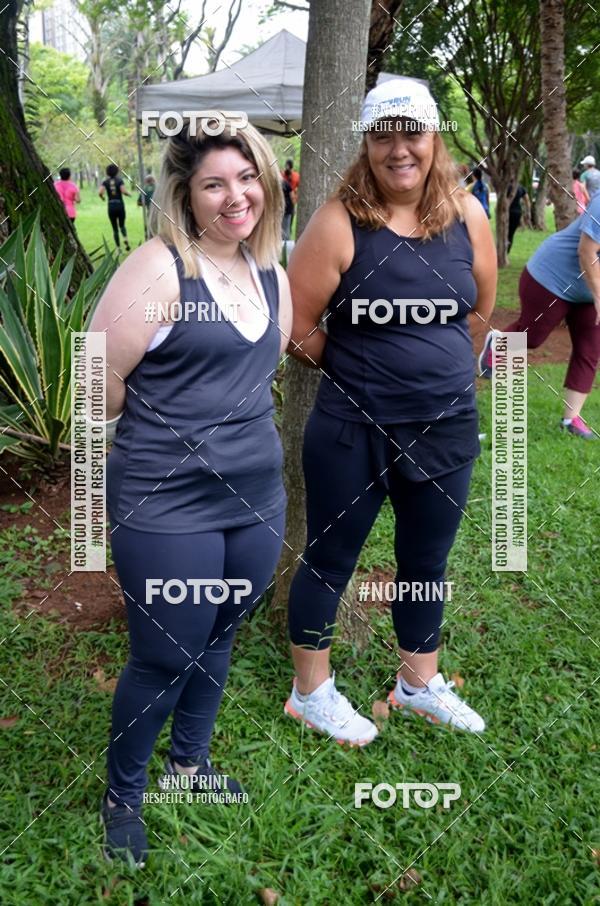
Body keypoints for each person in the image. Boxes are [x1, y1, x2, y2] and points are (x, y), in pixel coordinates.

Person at [90, 119, 291, 866]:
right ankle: (125, 793)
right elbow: (97, 381)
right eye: (215, 183)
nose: (236, 196)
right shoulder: (160, 268)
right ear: (186, 194)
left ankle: (190, 766)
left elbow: (260, 370)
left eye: (247, 178)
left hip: (255, 497)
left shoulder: (270, 269)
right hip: (166, 500)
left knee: (220, 633)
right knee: (165, 652)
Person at [284, 77, 496, 746]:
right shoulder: (339, 221)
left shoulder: (467, 214)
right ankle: (310, 692)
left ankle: (417, 682)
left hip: (445, 426)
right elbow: (297, 325)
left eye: (413, 133)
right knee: (330, 558)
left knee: (427, 559)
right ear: (367, 144)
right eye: (384, 134)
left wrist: (445, 375)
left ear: (434, 140)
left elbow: (480, 312)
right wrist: (357, 371)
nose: (399, 148)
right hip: (353, 429)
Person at [480, 191, 600, 439]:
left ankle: (571, 420)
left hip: (588, 291)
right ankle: (498, 343)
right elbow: (587, 252)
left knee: (590, 349)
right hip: (551, 277)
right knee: (532, 337)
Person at [99, 163, 131, 252]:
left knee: (115, 228)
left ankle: (118, 248)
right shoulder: (119, 181)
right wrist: (129, 194)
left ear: (107, 172)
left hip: (111, 206)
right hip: (120, 205)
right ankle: (125, 238)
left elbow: (100, 192)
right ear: (116, 172)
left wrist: (102, 198)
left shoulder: (105, 182)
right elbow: (123, 191)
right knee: (122, 225)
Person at [507, 183, 529, 254]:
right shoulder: (520, 187)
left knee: (506, 233)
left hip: (508, 212)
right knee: (511, 234)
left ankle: (504, 251)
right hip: (517, 212)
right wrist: (528, 212)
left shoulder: (506, 187)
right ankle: (507, 251)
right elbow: (527, 200)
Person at [281, 176, 295, 240]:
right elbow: (292, 196)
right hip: (288, 208)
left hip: (281, 208)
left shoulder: (275, 184)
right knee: (287, 227)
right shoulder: (286, 184)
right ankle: (286, 241)